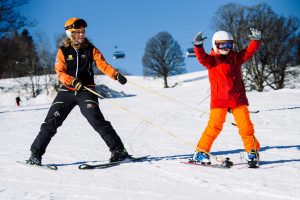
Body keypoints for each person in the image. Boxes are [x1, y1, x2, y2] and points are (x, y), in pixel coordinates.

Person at [27, 18, 130, 165]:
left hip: (86, 90)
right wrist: (72, 81)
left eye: (83, 32)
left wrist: (116, 75)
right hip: (66, 91)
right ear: (70, 33)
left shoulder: (90, 49)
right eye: (77, 32)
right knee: (51, 122)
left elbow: (102, 64)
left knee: (97, 120)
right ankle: (35, 155)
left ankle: (119, 151)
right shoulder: (63, 51)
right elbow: (60, 73)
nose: (81, 35)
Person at [192, 28, 262, 167]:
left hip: (237, 99)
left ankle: (252, 151)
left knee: (246, 127)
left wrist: (255, 41)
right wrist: (198, 46)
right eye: (222, 45)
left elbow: (248, 52)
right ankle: (200, 152)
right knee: (214, 127)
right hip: (220, 100)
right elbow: (201, 57)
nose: (226, 48)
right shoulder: (211, 60)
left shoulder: (236, 58)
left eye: (229, 45)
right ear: (215, 44)